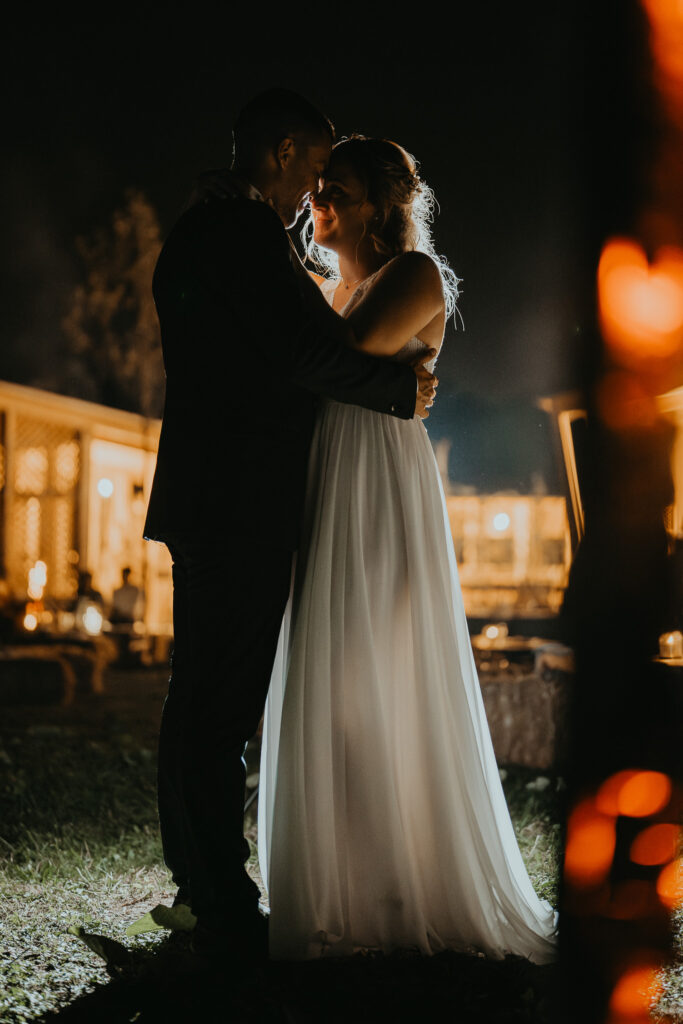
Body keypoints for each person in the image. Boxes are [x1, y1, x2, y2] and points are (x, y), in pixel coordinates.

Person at [142, 90, 438, 964]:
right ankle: (222, 902)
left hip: (213, 493)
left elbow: (289, 345)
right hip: (236, 500)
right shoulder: (237, 234)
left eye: (332, 180)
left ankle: (203, 888)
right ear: (280, 152)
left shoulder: (215, 227)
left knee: (198, 697)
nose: (314, 190)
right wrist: (396, 390)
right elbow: (304, 353)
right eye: (312, 169)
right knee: (217, 704)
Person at [258, 136, 558, 963]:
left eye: (336, 191)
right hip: (324, 477)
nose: (316, 204)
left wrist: (292, 316)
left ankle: (406, 878)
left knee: (380, 667)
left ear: (380, 206)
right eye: (316, 188)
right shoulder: (322, 283)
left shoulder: (414, 277)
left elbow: (340, 359)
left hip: (380, 482)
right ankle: (339, 878)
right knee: (330, 667)